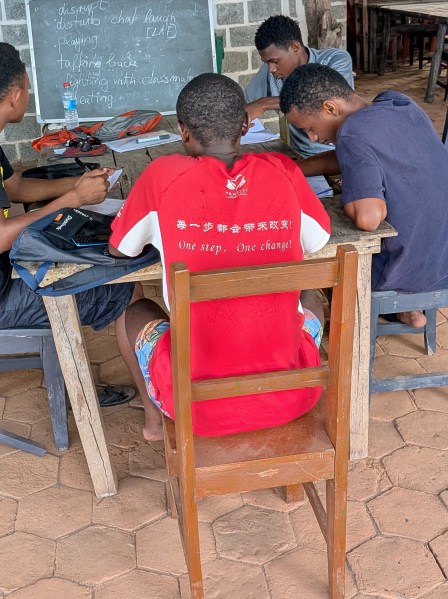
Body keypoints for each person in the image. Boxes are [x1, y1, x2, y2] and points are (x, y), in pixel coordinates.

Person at [107, 72, 331, 441]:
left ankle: (154, 421)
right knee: (310, 296)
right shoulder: (284, 170)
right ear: (245, 124)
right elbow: (319, 238)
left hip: (194, 408)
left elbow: (120, 249)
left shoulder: (161, 175)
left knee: (134, 308)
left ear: (183, 131)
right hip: (294, 395)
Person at [0, 42, 139, 402]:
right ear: (14, 95)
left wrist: (77, 184)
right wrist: (73, 200)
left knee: (72, 252)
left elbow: (16, 188)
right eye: (27, 86)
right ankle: (143, 405)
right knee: (126, 289)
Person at [278, 63, 448, 328]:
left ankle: (354, 328)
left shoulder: (352, 134)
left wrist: (351, 191)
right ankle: (408, 310)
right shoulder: (398, 103)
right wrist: (292, 169)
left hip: (406, 268)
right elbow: (349, 157)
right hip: (441, 256)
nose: (312, 138)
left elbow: (368, 219)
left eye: (310, 127)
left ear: (330, 108)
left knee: (327, 257)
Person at [244, 14, 354, 159]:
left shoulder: (335, 59)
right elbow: (246, 104)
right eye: (267, 63)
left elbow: (322, 100)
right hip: (298, 155)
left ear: (295, 47)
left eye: (275, 61)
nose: (271, 69)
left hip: (337, 155)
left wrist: (264, 104)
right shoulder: (272, 72)